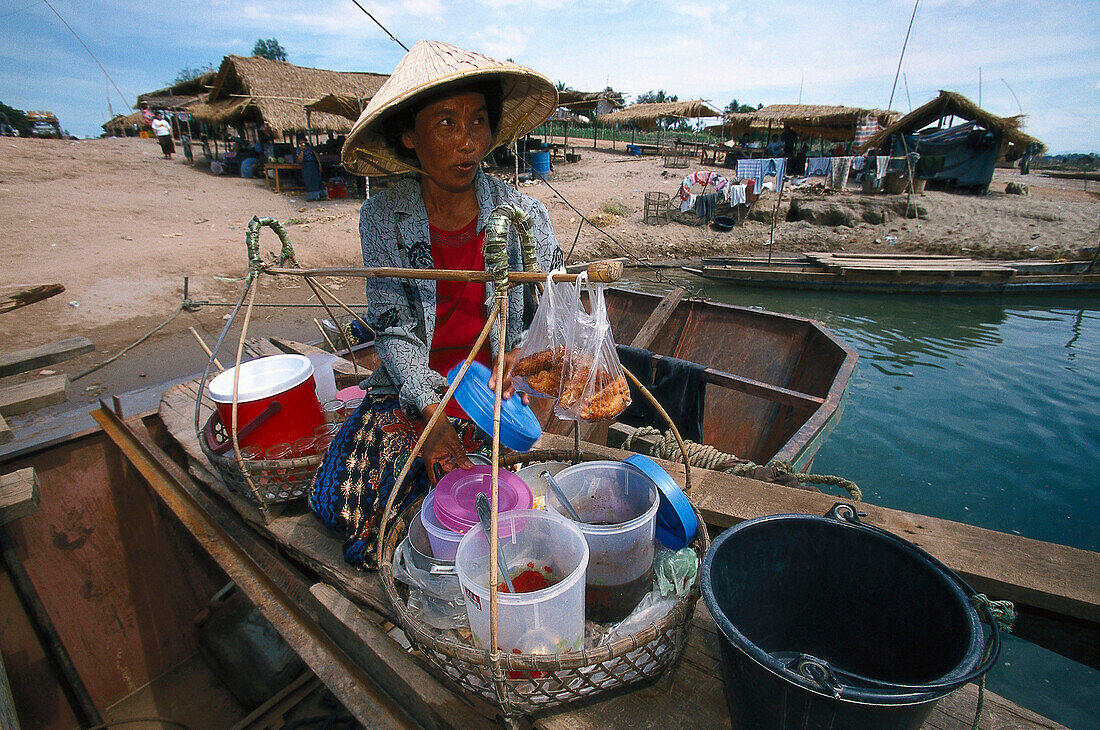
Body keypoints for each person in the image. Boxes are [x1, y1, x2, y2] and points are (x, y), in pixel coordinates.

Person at [309, 40, 563, 568]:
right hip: (413, 391)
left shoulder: (524, 215)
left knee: (477, 514)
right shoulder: (384, 218)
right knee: (341, 505)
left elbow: (552, 301)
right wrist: (429, 417)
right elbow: (394, 328)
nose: (467, 143)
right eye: (445, 123)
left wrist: (524, 350)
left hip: (486, 397)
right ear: (409, 136)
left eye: (477, 122)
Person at [295, 132, 325, 200]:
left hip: (313, 164)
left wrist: (319, 165)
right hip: (306, 165)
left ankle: (322, 195)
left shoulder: (310, 147)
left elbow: (316, 156)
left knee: (317, 179)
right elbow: (300, 159)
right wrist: (302, 150)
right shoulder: (298, 150)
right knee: (309, 180)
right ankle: (312, 197)